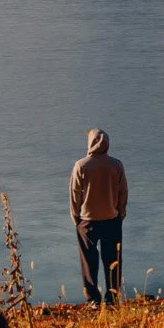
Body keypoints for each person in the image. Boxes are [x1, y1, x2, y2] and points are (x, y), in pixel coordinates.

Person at [69, 127, 127, 306]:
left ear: (90, 143)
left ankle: (93, 300)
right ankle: (112, 299)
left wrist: (76, 218)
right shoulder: (116, 165)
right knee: (113, 260)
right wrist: (120, 214)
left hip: (87, 221)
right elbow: (123, 192)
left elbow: (74, 195)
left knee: (89, 262)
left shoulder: (81, 165)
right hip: (112, 219)